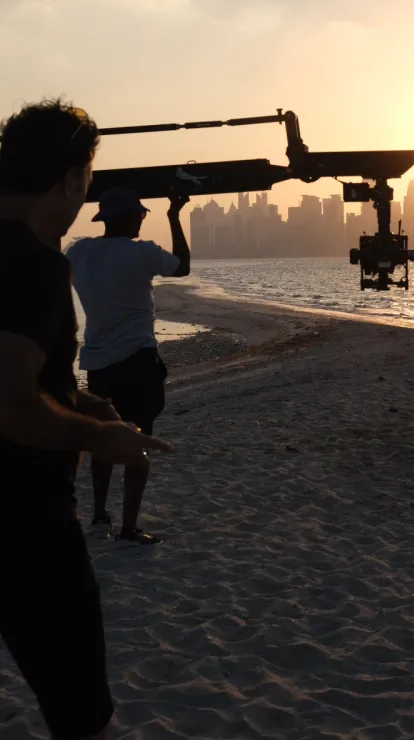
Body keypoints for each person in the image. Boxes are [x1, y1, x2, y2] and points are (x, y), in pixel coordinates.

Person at [0, 99, 171, 740]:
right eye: (87, 177)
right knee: (82, 719)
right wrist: (102, 436)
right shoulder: (37, 263)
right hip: (25, 523)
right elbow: (12, 405)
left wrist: (75, 398)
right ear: (72, 179)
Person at [65, 186, 191, 545]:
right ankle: (129, 527)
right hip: (138, 362)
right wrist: (174, 216)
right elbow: (181, 267)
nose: (141, 217)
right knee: (139, 441)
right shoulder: (142, 253)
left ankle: (99, 513)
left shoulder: (80, 251)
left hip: (99, 364)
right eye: (139, 213)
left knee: (104, 440)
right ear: (126, 217)